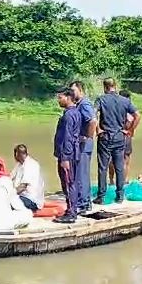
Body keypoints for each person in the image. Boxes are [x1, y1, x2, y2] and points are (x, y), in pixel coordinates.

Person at [94, 78, 140, 204]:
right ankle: (120, 196)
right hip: (120, 137)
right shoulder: (124, 101)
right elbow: (137, 115)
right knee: (119, 166)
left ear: (105, 87)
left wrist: (98, 130)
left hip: (105, 136)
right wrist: (130, 130)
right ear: (115, 86)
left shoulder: (101, 99)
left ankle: (101, 196)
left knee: (103, 167)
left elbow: (93, 116)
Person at [53, 88, 82, 223]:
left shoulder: (69, 115)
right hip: (72, 154)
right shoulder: (74, 112)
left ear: (68, 97)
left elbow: (68, 137)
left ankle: (71, 213)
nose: (58, 100)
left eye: (60, 98)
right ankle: (71, 209)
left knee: (68, 183)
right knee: (71, 182)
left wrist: (65, 157)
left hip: (68, 156)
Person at [69, 81, 96, 214]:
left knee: (82, 173)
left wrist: (87, 137)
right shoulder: (79, 104)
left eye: (73, 91)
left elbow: (92, 120)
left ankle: (84, 203)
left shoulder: (84, 104)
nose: (71, 93)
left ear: (80, 90)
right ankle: (83, 201)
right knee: (79, 173)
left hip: (84, 144)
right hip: (81, 144)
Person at [108, 89, 135, 184]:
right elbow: (129, 123)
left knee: (111, 159)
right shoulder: (129, 110)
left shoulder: (114, 108)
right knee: (125, 160)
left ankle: (111, 180)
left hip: (113, 135)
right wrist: (130, 130)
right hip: (125, 136)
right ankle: (124, 180)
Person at [10, 144, 45, 212]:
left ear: (18, 155)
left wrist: (9, 195)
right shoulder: (19, 164)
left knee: (6, 203)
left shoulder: (30, 165)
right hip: (21, 196)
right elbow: (9, 177)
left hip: (31, 200)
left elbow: (23, 187)